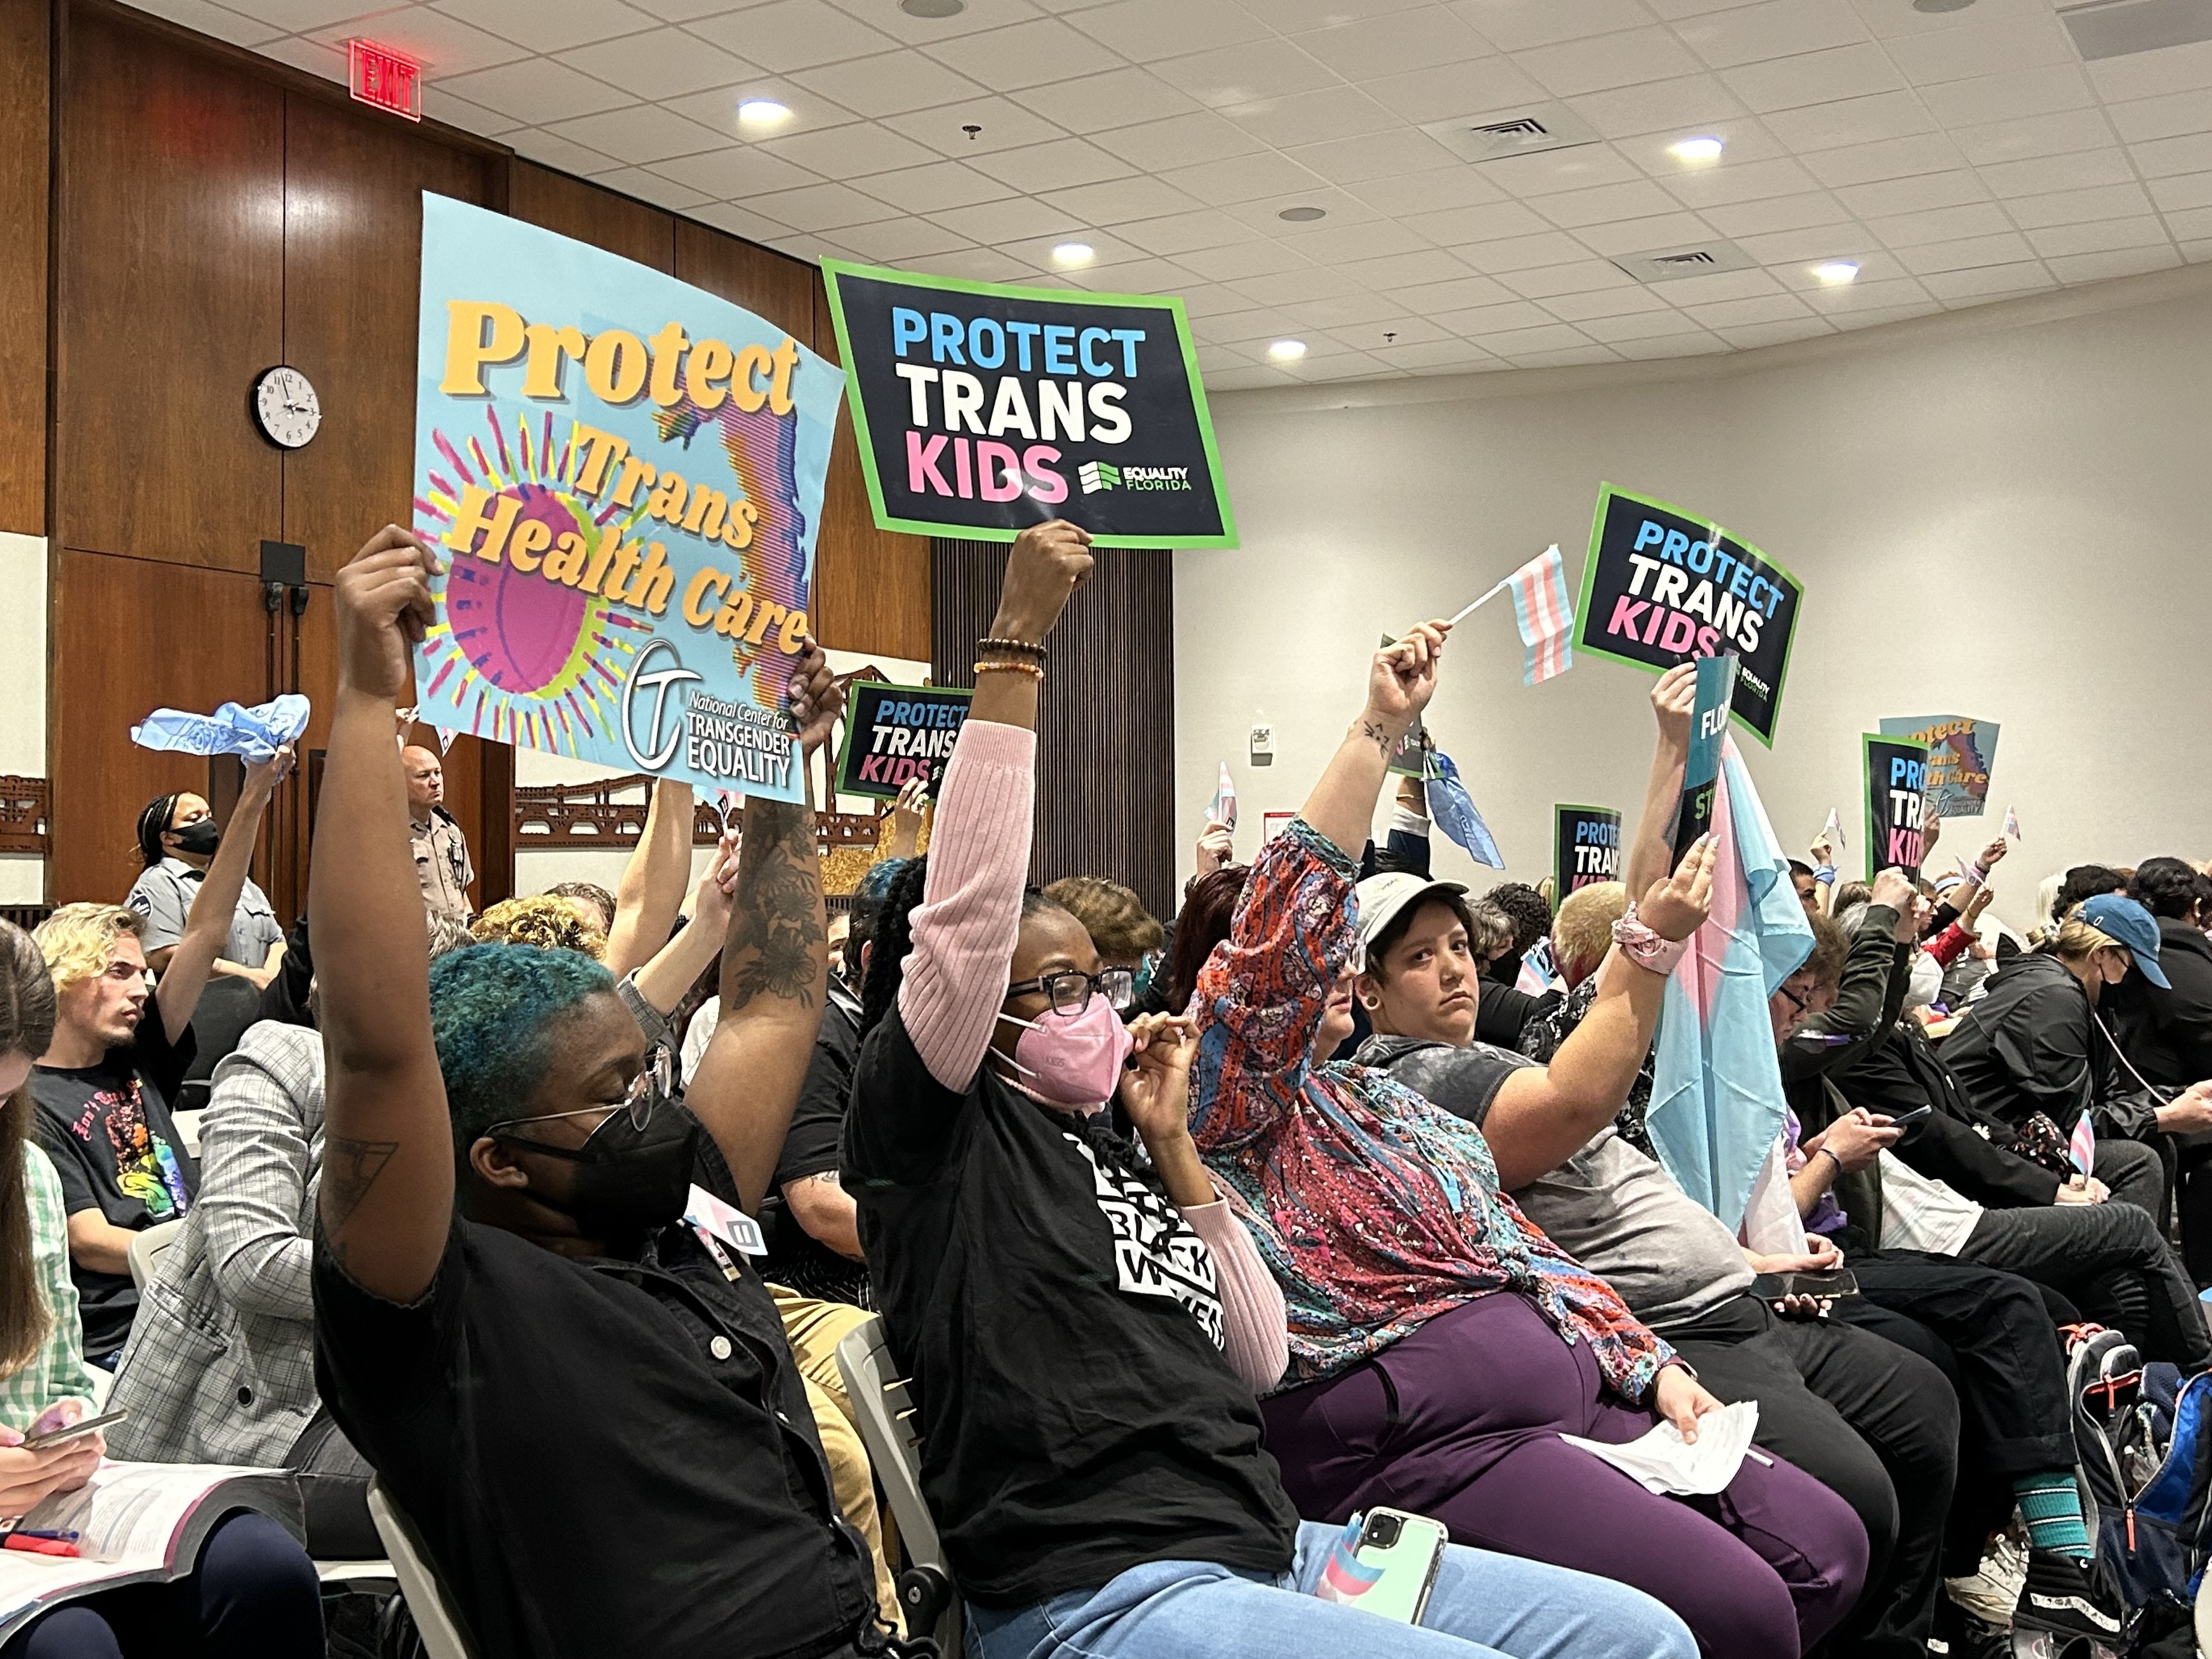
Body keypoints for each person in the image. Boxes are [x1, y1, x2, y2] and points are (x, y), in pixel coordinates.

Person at [847, 521, 1701, 1659]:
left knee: (1639, 1638)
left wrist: (1175, 1158)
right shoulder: (936, 1136)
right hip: (1107, 1589)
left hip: (1273, 1545)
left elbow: (1252, 1355)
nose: (1089, 1008)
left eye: (1094, 983)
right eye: (1052, 988)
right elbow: (963, 924)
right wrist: (1015, 647)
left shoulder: (1119, 1142)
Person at [1190, 637, 1864, 1658]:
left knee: (1831, 1543)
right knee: (1743, 1608)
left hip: (1570, 1391)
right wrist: (1379, 731)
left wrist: (1646, 1364)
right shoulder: (1225, 1114)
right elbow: (1276, 948)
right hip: (1420, 1444)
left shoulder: (1381, 1102)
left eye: (1457, 945)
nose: (1328, 962)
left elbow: (1521, 1249)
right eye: (1396, 953)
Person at [308, 524, 893, 1659]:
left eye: (644, 1073)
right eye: (615, 1090)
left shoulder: (678, 1209)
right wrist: (366, 694)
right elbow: (377, 1045)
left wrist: (776, 761)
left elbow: (772, 1000)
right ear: (499, 1156)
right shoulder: (441, 1311)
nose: (654, 1107)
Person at [1354, 667, 1950, 1659]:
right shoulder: (1414, 1080)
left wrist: (1673, 752)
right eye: (1419, 956)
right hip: (1655, 1328)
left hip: (1732, 1290)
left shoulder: (1519, 1028)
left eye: (1459, 944)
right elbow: (1585, 1081)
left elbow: (1645, 911)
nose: (1456, 964)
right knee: (1856, 1500)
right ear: (1362, 990)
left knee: (1927, 1401)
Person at [0, 921, 324, 1659]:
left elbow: (55, 1369)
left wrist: (72, 1427)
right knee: (70, 1643)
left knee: (262, 1567)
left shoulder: (27, 1177)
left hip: (35, 1506)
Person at [32, 748, 290, 1367]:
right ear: (65, 977)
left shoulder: (141, 1052)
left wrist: (254, 796)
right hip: (127, 1330)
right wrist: (213, 1254)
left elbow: (203, 931)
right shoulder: (28, 1099)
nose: (143, 987)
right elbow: (89, 1240)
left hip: (202, 1295)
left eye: (141, 972)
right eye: (119, 972)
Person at [2121, 858, 2212, 1280]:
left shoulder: (2154, 944)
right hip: (2168, 1095)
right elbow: (2202, 1028)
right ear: (2195, 906)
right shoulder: (2174, 951)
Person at [124, 793, 284, 984]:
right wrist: (246, 976)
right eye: (194, 818)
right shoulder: (158, 882)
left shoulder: (241, 883)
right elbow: (162, 955)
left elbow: (277, 941)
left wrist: (270, 980)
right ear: (168, 838)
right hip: (200, 1009)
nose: (207, 824)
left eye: (209, 816)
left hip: (260, 1005)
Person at [403, 744, 473, 924]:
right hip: (418, 944)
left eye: (438, 772)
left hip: (458, 941)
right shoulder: (390, 835)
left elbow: (462, 894)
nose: (435, 782)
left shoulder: (451, 831)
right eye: (424, 776)